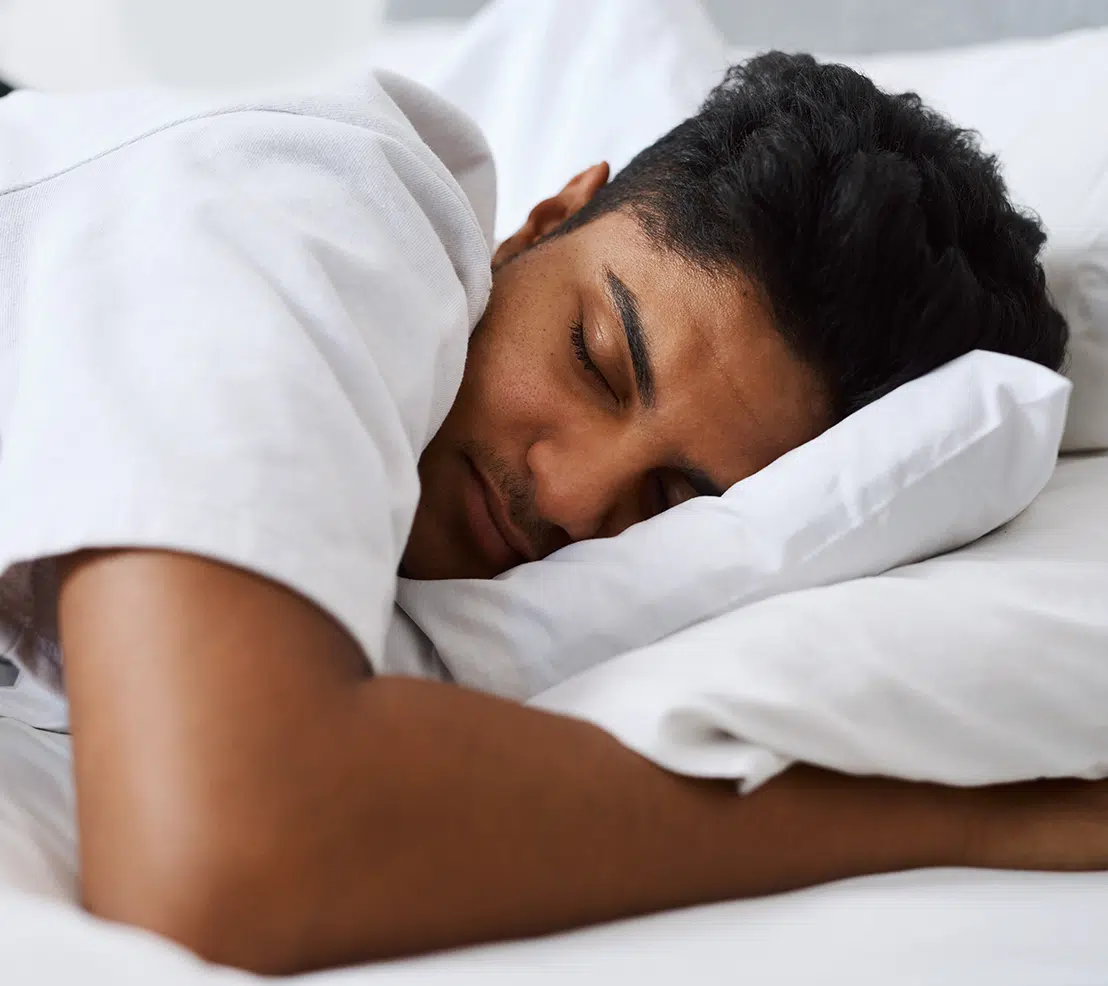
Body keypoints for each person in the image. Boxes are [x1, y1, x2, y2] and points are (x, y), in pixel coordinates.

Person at [0, 52, 1101, 974]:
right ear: (540, 222)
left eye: (672, 502)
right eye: (596, 359)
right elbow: (218, 851)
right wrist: (965, 820)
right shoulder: (323, 200)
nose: (573, 498)